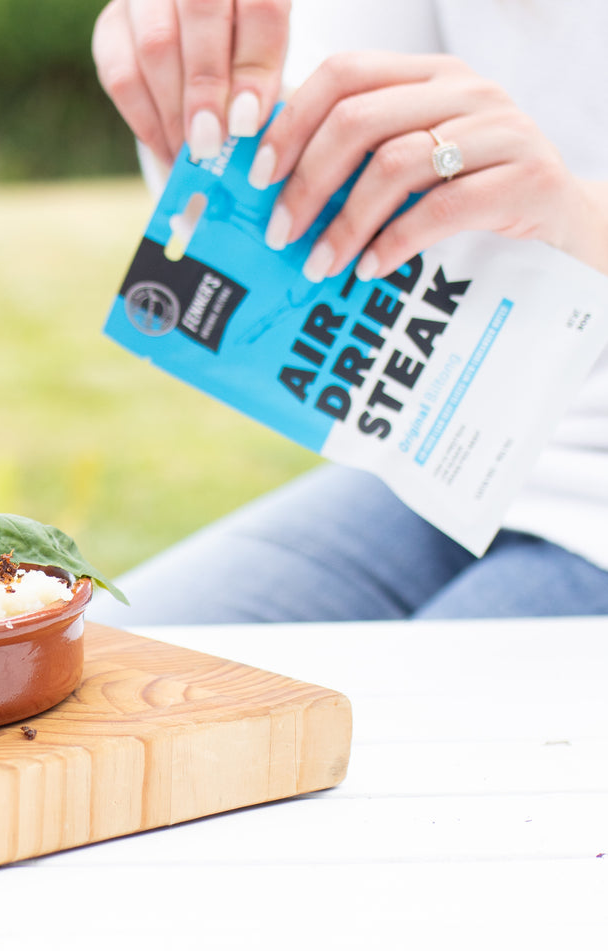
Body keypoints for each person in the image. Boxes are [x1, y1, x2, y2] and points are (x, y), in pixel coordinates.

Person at [86, 0, 608, 624]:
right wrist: (203, 83)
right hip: (461, 461)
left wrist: (582, 219)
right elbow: (325, 115)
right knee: (92, 671)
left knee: (392, 717)